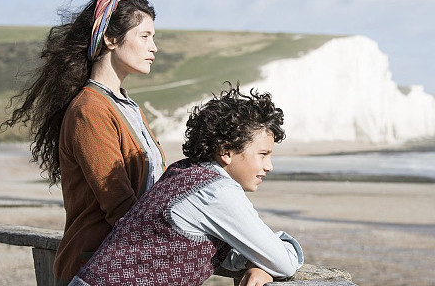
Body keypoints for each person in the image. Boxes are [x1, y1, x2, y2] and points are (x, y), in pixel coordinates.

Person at [69, 85, 303, 286]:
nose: (269, 166)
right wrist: (277, 248)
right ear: (226, 152)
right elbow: (282, 262)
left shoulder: (181, 171)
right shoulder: (217, 192)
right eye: (263, 154)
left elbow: (222, 254)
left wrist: (256, 261)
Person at [2, 0, 165, 283]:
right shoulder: (90, 111)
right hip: (96, 268)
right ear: (111, 40)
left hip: (128, 262)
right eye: (144, 36)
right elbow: (119, 204)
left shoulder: (125, 106)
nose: (154, 47)